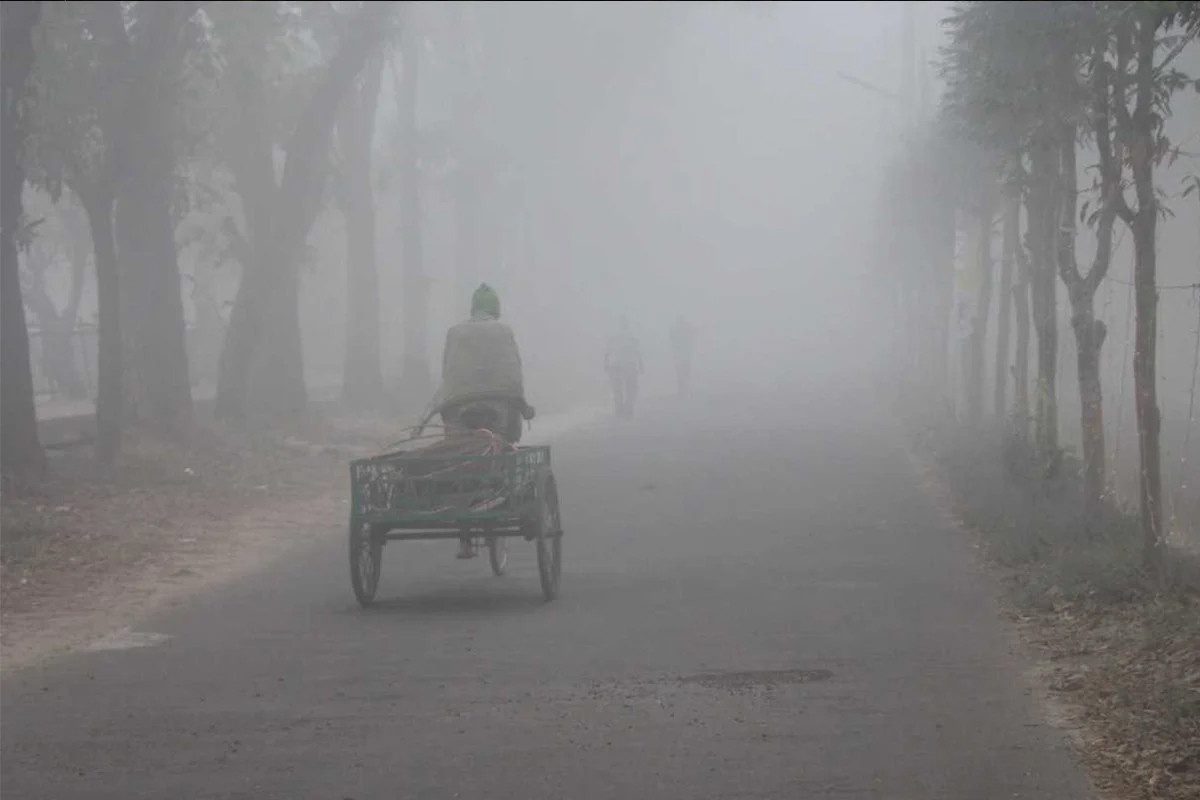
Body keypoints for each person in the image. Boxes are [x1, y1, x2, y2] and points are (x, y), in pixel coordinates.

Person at [423, 283, 535, 558]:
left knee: (460, 459)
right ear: (496, 308)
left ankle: (464, 537)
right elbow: (513, 373)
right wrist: (522, 405)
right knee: (501, 448)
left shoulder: (454, 332)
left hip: (457, 407)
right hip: (497, 408)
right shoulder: (504, 331)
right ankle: (495, 495)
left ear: (473, 308)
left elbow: (447, 372)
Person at [605, 316, 643, 419]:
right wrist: (641, 365)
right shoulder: (632, 336)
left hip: (616, 365)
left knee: (617, 389)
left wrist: (606, 364)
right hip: (630, 364)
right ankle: (629, 408)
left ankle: (619, 409)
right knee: (631, 388)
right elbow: (637, 351)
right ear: (627, 324)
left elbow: (607, 351)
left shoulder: (614, 336)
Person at [669, 315, 695, 398]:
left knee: (680, 373)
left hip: (680, 354)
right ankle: (684, 390)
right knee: (685, 372)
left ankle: (682, 390)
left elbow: (671, 337)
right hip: (684, 354)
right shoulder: (687, 327)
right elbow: (694, 335)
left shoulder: (675, 328)